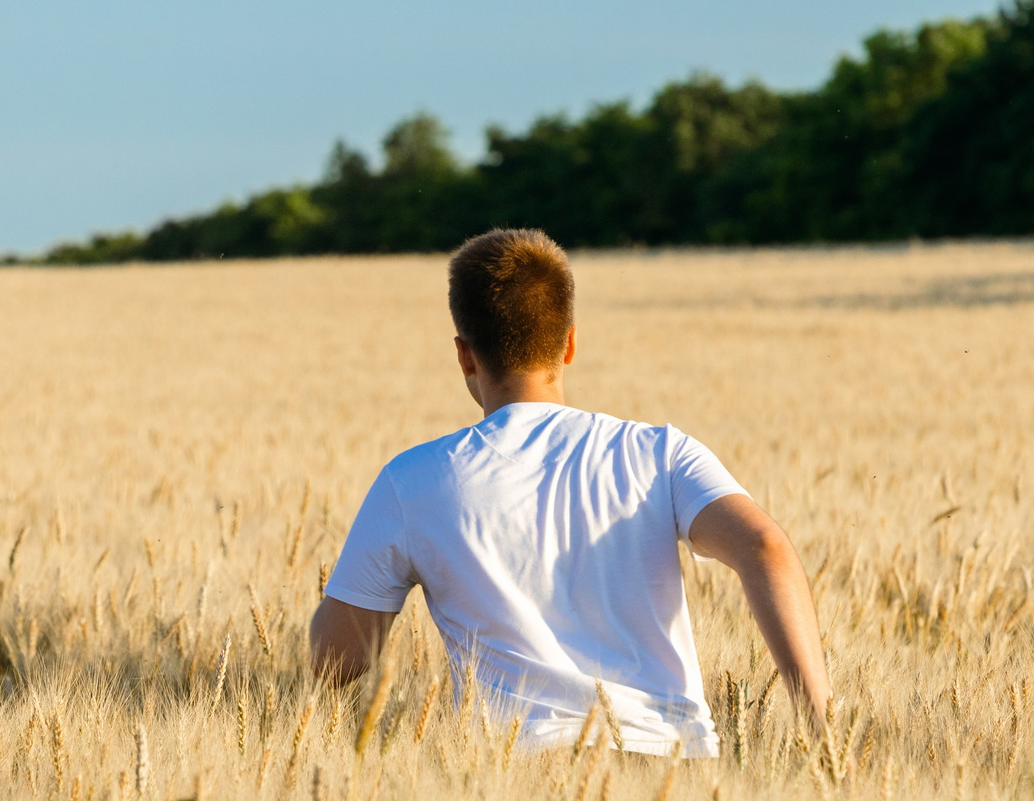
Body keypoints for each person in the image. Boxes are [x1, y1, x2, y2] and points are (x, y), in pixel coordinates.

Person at [308, 228, 830, 754]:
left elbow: (338, 662)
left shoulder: (413, 479)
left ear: (466, 356)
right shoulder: (661, 453)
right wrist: (821, 731)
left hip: (514, 778)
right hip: (675, 771)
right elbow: (765, 547)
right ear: (570, 342)